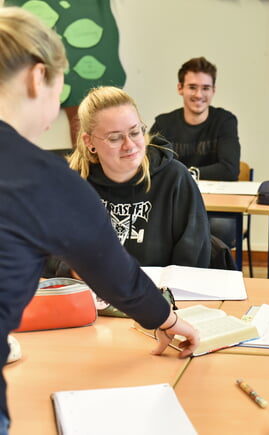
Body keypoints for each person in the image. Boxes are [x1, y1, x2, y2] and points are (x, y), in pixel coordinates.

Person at [0, 7, 198, 431]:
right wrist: (169, 320)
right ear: (38, 78)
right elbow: (115, 275)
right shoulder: (44, 179)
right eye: (60, 89)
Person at [57, 86, 211, 272]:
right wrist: (74, 271)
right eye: (115, 138)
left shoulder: (175, 179)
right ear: (90, 142)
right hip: (91, 295)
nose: (129, 145)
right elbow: (47, 250)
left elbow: (193, 259)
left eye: (135, 132)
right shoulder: (73, 184)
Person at [150, 56, 240, 248]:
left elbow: (230, 170)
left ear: (213, 91)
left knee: (220, 229)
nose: (199, 94)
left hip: (217, 208)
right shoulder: (164, 123)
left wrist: (184, 174)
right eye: (192, 87)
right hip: (175, 205)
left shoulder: (225, 121)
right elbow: (151, 165)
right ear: (180, 88)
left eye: (205, 88)